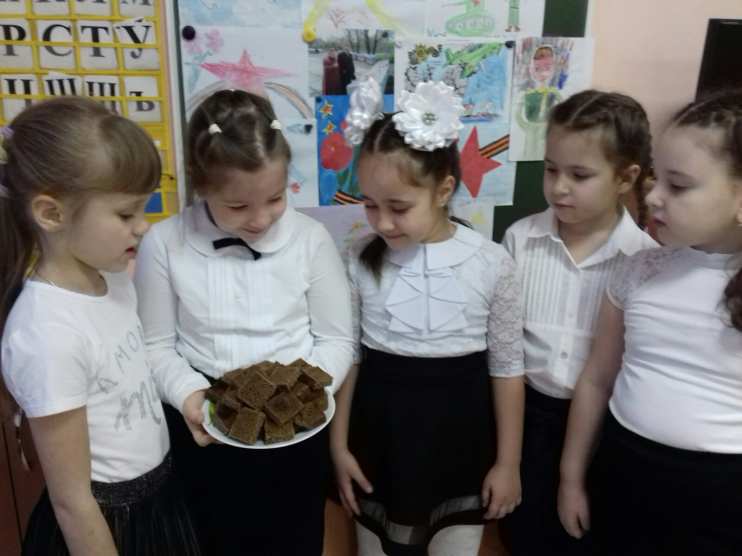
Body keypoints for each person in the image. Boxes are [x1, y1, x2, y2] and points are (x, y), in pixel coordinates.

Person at [134, 88, 354, 556]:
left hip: (296, 431)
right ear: (201, 186)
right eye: (237, 207)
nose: (260, 219)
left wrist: (300, 398)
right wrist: (190, 396)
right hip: (205, 426)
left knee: (294, 541)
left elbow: (337, 340)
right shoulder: (164, 243)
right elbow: (155, 346)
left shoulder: (311, 239)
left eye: (275, 198)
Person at [332, 77, 525, 556]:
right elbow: (347, 358)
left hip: (461, 445)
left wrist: (508, 463)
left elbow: (507, 368)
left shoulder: (491, 262)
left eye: (399, 207)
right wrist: (338, 448)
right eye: (369, 205)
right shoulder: (357, 259)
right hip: (380, 442)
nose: (382, 222)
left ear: (443, 190)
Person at [0, 97, 199, 556]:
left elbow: (133, 365)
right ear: (51, 214)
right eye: (126, 214)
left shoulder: (113, 278)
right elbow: (72, 502)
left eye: (144, 209)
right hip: (105, 525)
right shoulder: (46, 333)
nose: (143, 227)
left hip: (158, 497)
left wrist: (186, 397)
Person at [558, 89, 742, 556]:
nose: (653, 196)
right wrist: (571, 479)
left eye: (678, 186)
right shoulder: (638, 269)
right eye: (657, 177)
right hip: (624, 469)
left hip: (722, 494)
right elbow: (597, 379)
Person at [500, 90, 657, 555]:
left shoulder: (646, 261)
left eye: (580, 175)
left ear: (626, 177)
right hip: (526, 418)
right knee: (524, 534)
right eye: (551, 170)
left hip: (603, 427)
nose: (559, 187)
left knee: (584, 534)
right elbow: (504, 349)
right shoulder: (520, 240)